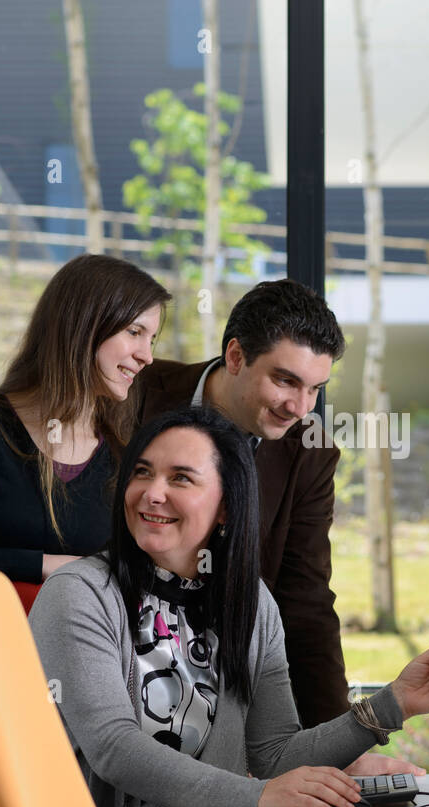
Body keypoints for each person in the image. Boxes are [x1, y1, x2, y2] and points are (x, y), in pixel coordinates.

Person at [29, 406, 429, 807]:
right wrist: (257, 795)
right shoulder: (78, 595)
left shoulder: (250, 604)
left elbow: (273, 754)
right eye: (143, 473)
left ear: (226, 505)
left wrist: (394, 704)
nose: (152, 493)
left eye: (181, 478)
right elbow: (115, 748)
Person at [131, 279, 351, 730]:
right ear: (235, 356)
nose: (300, 408)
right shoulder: (136, 393)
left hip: (227, 694)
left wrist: (338, 742)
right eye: (285, 381)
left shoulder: (310, 453)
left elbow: (305, 602)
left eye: (315, 389)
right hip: (118, 664)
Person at [0, 255, 170, 595]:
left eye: (151, 339)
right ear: (82, 326)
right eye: (134, 332)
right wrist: (41, 565)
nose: (146, 356)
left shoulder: (125, 455)